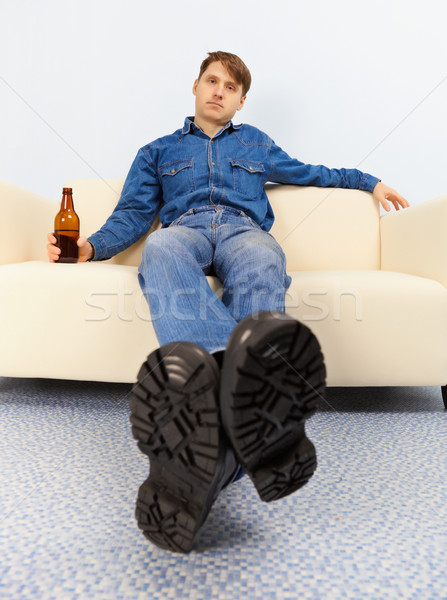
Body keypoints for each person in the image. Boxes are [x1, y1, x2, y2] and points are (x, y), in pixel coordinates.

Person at [47, 51, 409, 553]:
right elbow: (132, 216)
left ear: (240, 100)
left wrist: (368, 181)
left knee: (264, 259)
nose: (219, 91)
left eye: (231, 86)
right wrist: (87, 248)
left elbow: (312, 172)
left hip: (242, 231)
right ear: (195, 87)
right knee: (159, 246)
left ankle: (215, 430)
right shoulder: (157, 151)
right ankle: (240, 384)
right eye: (212, 81)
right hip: (186, 229)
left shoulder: (256, 143)